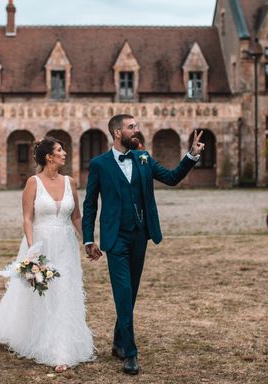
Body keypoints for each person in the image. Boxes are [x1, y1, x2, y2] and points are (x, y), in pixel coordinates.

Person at [82, 114, 204, 375]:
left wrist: (191, 156)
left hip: (140, 235)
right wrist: (89, 238)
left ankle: (117, 342)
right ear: (117, 132)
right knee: (123, 293)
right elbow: (90, 203)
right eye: (131, 127)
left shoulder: (143, 158)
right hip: (115, 238)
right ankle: (130, 353)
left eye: (136, 126)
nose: (136, 130)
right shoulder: (99, 165)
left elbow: (171, 177)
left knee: (131, 292)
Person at [0, 137, 94, 373]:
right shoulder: (33, 182)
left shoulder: (70, 182)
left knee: (64, 292)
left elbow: (76, 216)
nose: (64, 153)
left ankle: (62, 349)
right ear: (48, 157)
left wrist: (87, 240)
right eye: (60, 150)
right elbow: (27, 217)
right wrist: (32, 250)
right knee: (40, 294)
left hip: (65, 244)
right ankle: (27, 334)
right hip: (40, 244)